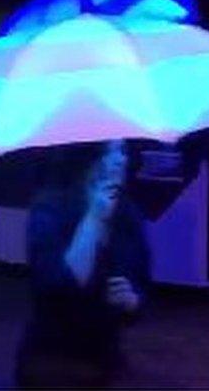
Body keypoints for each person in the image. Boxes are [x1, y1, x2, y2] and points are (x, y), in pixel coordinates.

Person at [16, 140, 151, 388]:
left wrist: (132, 300)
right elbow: (58, 284)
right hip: (51, 362)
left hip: (102, 362)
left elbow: (142, 283)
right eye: (111, 152)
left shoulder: (128, 213)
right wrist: (94, 217)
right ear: (87, 155)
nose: (121, 160)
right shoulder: (49, 208)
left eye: (123, 151)